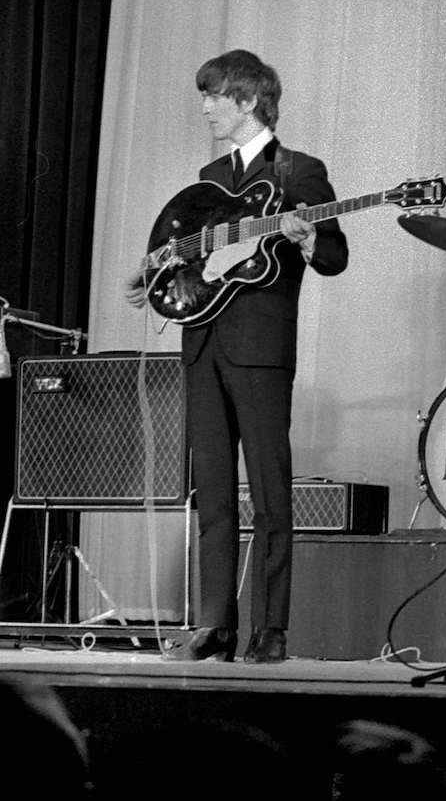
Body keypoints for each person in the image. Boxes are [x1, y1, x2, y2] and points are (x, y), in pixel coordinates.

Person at [122, 49, 348, 662]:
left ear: (249, 99)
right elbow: (183, 257)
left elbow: (334, 255)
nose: (205, 108)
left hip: (260, 346)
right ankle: (214, 624)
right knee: (213, 492)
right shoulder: (208, 176)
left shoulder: (300, 170)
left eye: (214, 96)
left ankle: (271, 629)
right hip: (202, 341)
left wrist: (307, 237)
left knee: (271, 492)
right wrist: (156, 279)